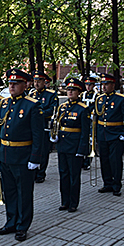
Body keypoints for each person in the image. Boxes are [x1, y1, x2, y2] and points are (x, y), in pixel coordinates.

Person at [0, 69, 43, 241]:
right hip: (6, 154)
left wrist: (35, 158)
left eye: (16, 83)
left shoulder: (32, 105)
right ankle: (11, 222)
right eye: (10, 83)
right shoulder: (4, 103)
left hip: (23, 156)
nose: (12, 86)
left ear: (25, 85)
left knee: (24, 192)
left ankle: (23, 225)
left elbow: (38, 136)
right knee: (9, 191)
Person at [50, 78, 89, 212]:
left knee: (74, 175)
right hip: (63, 145)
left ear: (79, 92)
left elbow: (85, 131)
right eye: (68, 90)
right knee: (63, 174)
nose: (70, 92)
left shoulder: (83, 109)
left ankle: (73, 202)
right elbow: (57, 123)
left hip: (74, 146)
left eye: (73, 90)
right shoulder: (62, 107)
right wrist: (54, 135)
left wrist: (82, 149)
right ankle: (64, 201)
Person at [95, 73, 124, 196]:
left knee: (115, 161)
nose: (104, 87)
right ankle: (107, 183)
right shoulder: (99, 99)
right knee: (104, 160)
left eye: (106, 84)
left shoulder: (121, 99)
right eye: (102, 84)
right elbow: (96, 117)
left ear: (113, 85)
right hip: (102, 134)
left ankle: (116, 185)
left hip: (115, 134)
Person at [29, 70, 58, 183]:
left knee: (44, 151)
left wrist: (39, 113)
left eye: (39, 81)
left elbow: (53, 110)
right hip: (33, 127)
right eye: (35, 81)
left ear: (44, 82)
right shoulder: (32, 94)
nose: (36, 83)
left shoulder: (51, 94)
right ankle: (34, 171)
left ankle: (41, 173)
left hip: (45, 126)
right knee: (34, 148)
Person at [81, 76, 98, 170]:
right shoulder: (82, 95)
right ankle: (82, 159)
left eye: (90, 85)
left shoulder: (96, 95)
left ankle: (88, 161)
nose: (88, 87)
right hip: (84, 120)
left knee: (91, 140)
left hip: (92, 120)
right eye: (86, 84)